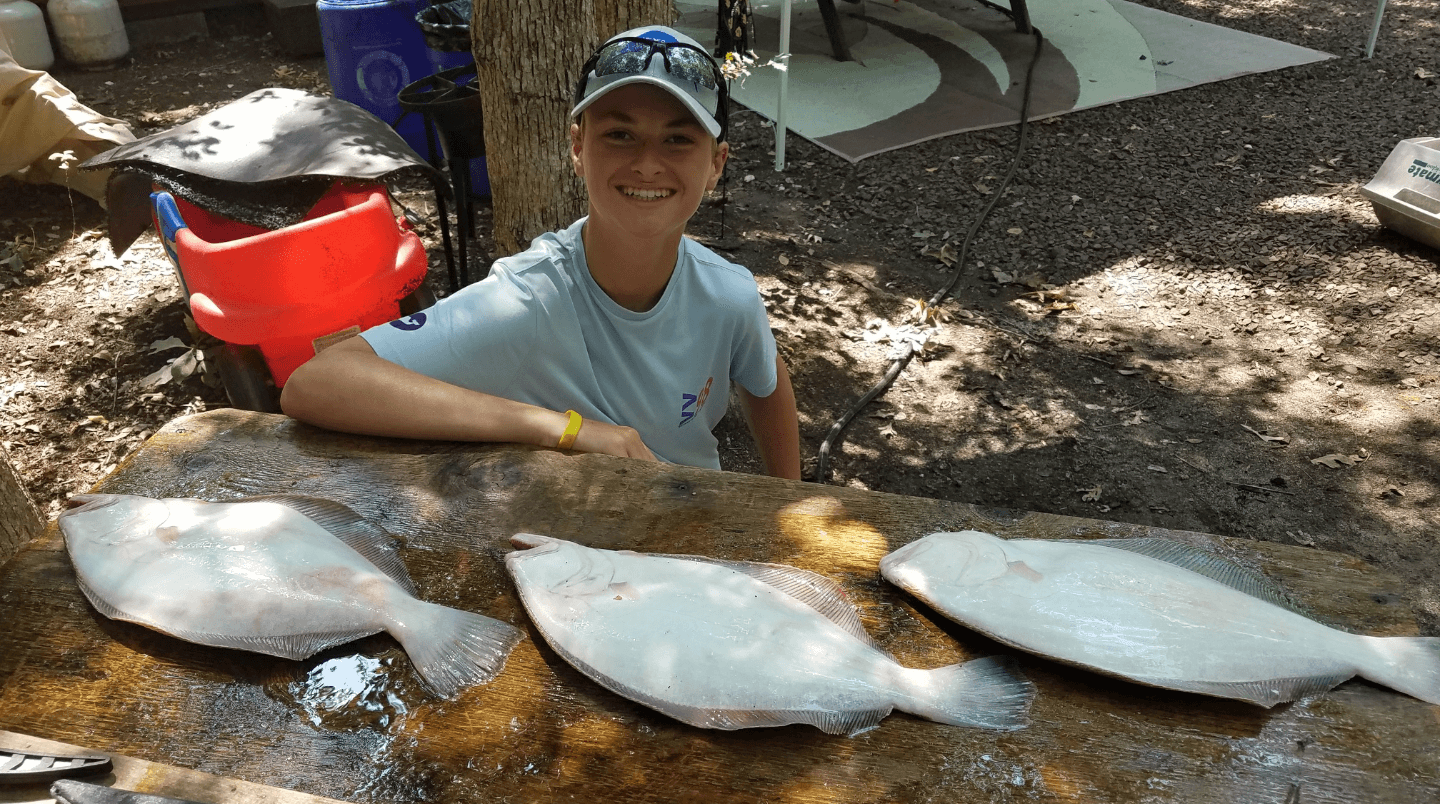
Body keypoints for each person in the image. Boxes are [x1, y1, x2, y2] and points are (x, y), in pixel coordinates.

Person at [280, 26, 802, 479]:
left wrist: (789, 505)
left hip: (700, 534)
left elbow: (765, 380)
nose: (647, 163)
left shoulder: (728, 293)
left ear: (716, 164)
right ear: (578, 147)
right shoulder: (527, 302)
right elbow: (316, 383)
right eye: (620, 134)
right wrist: (564, 429)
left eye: (678, 140)